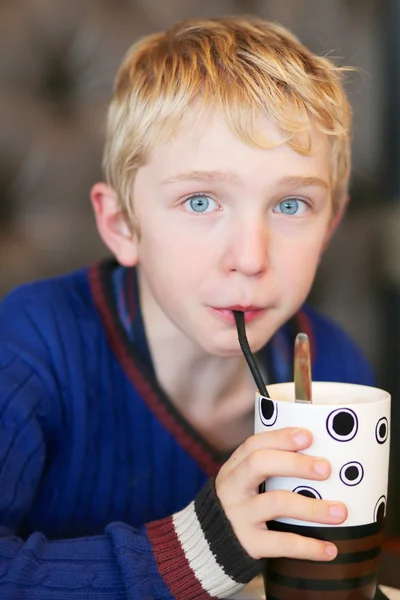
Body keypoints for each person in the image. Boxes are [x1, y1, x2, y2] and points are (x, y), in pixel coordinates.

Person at [0, 15, 375, 599]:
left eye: (293, 205)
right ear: (122, 224)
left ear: (330, 226)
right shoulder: (32, 345)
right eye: (200, 201)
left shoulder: (333, 368)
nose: (250, 257)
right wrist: (199, 551)